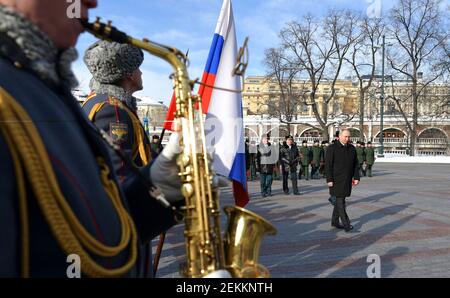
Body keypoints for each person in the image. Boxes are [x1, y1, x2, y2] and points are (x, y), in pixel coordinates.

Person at [0, 0, 192, 277]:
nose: (91, 2)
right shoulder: (17, 91)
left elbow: (94, 224)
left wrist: (160, 190)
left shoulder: (47, 89)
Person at [82, 40, 152, 182]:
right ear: (130, 74)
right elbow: (120, 176)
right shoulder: (113, 109)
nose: (141, 72)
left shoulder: (97, 100)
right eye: (138, 68)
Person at [325, 129, 360, 232]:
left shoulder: (352, 148)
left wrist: (356, 177)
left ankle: (335, 222)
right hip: (335, 180)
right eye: (345, 136)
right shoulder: (332, 148)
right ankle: (347, 224)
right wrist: (329, 179)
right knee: (340, 202)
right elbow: (328, 165)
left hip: (347, 180)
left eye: (348, 137)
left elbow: (355, 164)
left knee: (340, 200)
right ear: (339, 136)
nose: (347, 139)